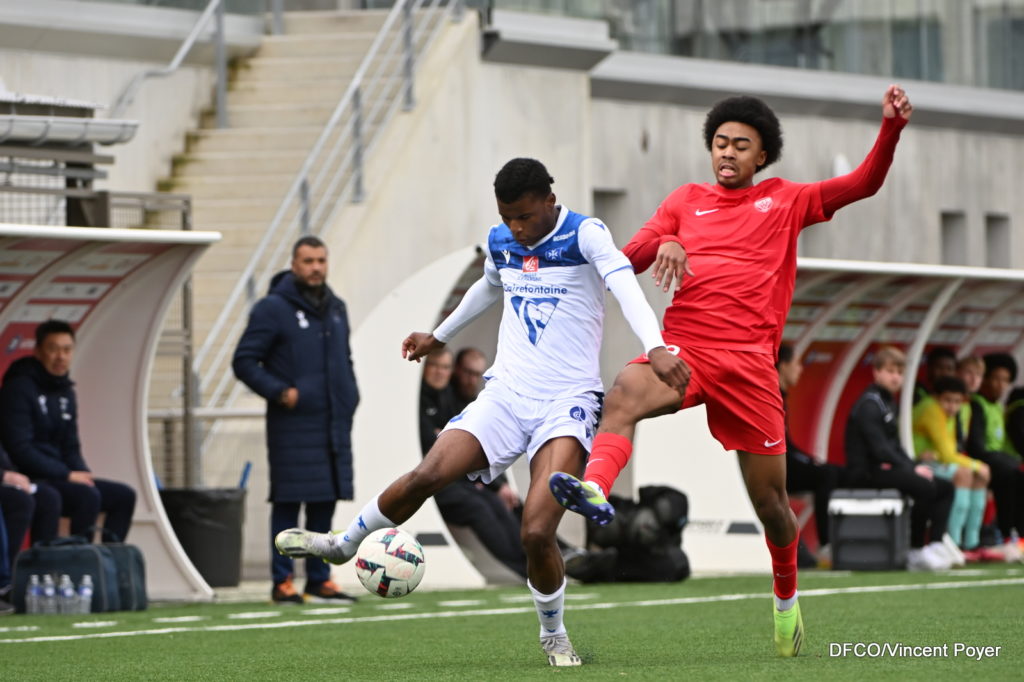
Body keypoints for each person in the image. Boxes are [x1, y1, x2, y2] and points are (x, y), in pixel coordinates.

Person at [547, 85, 914, 657]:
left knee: (772, 508)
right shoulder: (683, 201)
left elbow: (863, 182)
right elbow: (626, 260)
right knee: (622, 393)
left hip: (750, 368)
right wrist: (667, 238)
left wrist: (890, 127)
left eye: (741, 145)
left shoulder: (787, 199)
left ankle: (787, 602)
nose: (728, 152)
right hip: (687, 351)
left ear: (761, 156)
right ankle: (595, 487)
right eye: (720, 142)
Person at [276, 157, 687, 667]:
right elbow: (489, 285)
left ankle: (554, 634)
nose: (516, 228)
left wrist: (655, 347)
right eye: (506, 217)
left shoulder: (586, 234)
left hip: (567, 402)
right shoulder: (501, 240)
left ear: (549, 201)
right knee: (428, 473)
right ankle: (344, 545)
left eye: (524, 217)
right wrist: (438, 335)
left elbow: (625, 287)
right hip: (506, 394)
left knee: (535, 531)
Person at [232, 235, 360, 604]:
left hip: (333, 422)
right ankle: (282, 580)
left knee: (325, 501)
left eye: (321, 260)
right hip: (292, 423)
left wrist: (350, 395)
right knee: (288, 502)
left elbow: (344, 358)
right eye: (308, 261)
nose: (316, 267)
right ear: (294, 265)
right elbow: (244, 360)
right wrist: (281, 392)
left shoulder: (336, 307)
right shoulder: (272, 308)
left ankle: (319, 579)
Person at [0, 320, 136, 544]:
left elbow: (71, 445)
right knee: (84, 496)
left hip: (60, 474)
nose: (60, 357)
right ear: (38, 351)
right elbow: (19, 449)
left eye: (67, 350)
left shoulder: (66, 391)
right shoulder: (19, 388)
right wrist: (66, 475)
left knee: (123, 495)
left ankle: (108, 560)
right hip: (31, 475)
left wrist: (82, 472)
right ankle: (73, 558)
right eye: (53, 349)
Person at [419, 347, 528, 578]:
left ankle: (550, 558)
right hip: (436, 485)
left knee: (504, 503)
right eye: (434, 366)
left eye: (444, 367)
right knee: (479, 508)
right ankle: (527, 568)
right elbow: (438, 447)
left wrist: (498, 484)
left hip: (458, 481)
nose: (439, 372)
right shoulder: (421, 400)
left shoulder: (452, 398)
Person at [844, 346, 955, 571]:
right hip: (865, 473)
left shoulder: (887, 402)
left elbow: (895, 446)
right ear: (876, 372)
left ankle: (935, 545)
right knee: (923, 486)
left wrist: (914, 466)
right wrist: (911, 470)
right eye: (890, 371)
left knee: (945, 487)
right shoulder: (869, 404)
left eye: (900, 372)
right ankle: (915, 550)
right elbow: (880, 450)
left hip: (883, 469)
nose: (896, 377)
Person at [776, 344, 844, 564]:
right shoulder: (772, 397)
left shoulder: (781, 396)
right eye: (797, 363)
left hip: (784, 463)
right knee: (826, 474)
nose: (801, 369)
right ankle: (826, 544)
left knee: (832, 472)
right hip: (775, 469)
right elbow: (782, 447)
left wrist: (811, 461)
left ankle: (832, 542)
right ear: (783, 365)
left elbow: (788, 445)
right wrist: (811, 463)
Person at [912, 375, 991, 561]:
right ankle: (954, 544)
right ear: (936, 397)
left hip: (934, 462)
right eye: (947, 400)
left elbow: (947, 451)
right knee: (965, 473)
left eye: (957, 401)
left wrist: (977, 467)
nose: (952, 406)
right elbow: (948, 454)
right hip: (915, 464)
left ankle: (972, 542)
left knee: (978, 476)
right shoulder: (931, 409)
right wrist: (977, 465)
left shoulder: (954, 414)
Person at [964, 352, 1024, 562]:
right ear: (986, 379)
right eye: (996, 378)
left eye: (1005, 380)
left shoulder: (998, 407)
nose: (1000, 385)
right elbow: (976, 446)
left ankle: (1019, 536)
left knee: (1017, 471)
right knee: (1010, 473)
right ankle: (1007, 534)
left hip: (999, 460)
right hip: (981, 460)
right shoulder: (977, 404)